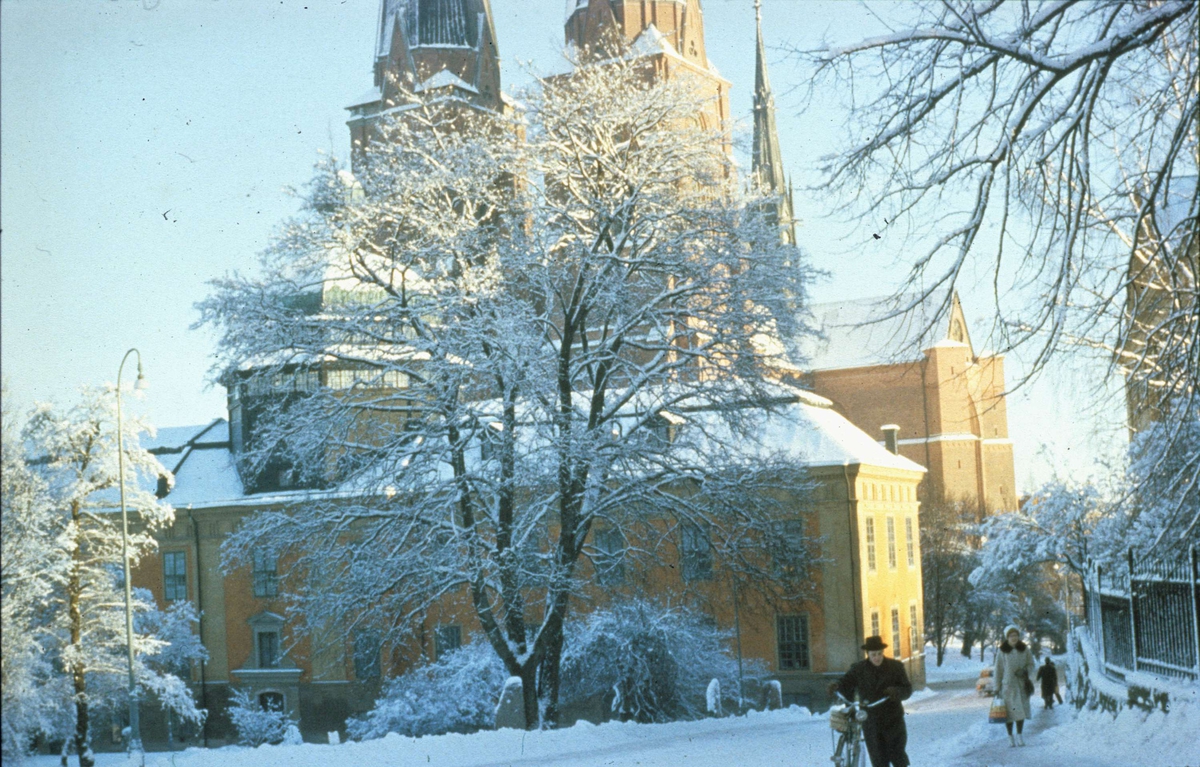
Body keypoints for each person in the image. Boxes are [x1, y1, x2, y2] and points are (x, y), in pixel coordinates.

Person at [827, 636, 913, 767]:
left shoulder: (895, 667)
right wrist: (836, 685)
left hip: (893, 720)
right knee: (878, 759)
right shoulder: (859, 669)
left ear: (883, 652)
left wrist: (896, 691)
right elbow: (846, 681)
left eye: (879, 654)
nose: (877, 657)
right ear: (868, 654)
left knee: (897, 755)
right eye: (874, 655)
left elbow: (907, 689)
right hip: (871, 721)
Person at [995, 624, 1035, 746]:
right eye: (1011, 636)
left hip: (1022, 685)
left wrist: (1025, 671)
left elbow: (1031, 664)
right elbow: (998, 670)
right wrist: (997, 687)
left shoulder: (1024, 649)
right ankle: (1010, 737)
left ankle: (1019, 736)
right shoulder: (1002, 650)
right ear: (1007, 637)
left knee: (1020, 712)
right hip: (1008, 686)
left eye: (1016, 635)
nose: (1014, 638)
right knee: (1009, 714)